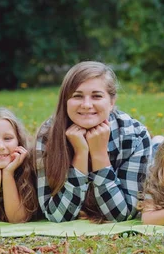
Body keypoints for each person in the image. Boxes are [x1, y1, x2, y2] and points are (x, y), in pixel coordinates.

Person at [35, 61, 152, 223]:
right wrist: (81, 154)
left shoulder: (135, 135)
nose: (87, 105)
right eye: (77, 96)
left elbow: (122, 214)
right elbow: (56, 215)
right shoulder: (48, 135)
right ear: (65, 101)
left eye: (97, 96)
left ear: (111, 102)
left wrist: (99, 154)